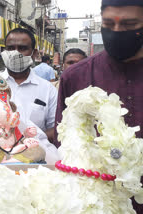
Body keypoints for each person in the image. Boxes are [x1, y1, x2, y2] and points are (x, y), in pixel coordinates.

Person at [54, 1, 143, 212]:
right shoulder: (75, 77)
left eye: (130, 24)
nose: (117, 31)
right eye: (109, 23)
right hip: (96, 205)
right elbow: (66, 148)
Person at [0, 28, 59, 161]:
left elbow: (55, 129)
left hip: (36, 160)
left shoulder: (48, 89)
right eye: (10, 48)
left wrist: (28, 137)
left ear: (34, 53)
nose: (15, 53)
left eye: (22, 48)